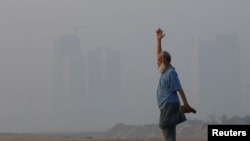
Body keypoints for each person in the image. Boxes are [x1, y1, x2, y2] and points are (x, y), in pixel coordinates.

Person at [155, 28, 197, 141]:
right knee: (169, 136)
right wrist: (158, 40)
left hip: (170, 104)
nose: (157, 63)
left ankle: (181, 112)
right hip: (164, 106)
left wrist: (186, 105)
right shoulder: (163, 71)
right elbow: (158, 54)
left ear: (165, 60)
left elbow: (180, 89)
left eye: (159, 61)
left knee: (163, 124)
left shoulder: (171, 72)